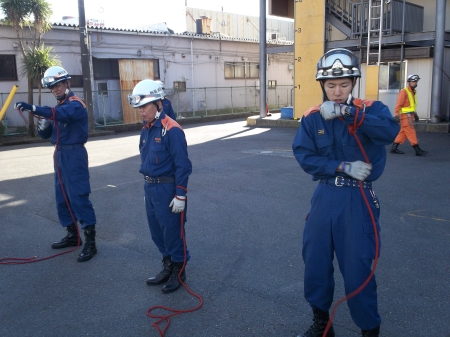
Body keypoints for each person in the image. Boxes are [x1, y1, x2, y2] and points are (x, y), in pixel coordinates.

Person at [292, 48, 400, 337]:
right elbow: (304, 155)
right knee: (315, 263)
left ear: (354, 82)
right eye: (331, 86)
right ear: (322, 86)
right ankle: (321, 324)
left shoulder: (371, 109)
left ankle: (368, 329)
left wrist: (348, 112)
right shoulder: (313, 117)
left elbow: (390, 132)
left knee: (357, 270)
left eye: (344, 85)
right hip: (325, 195)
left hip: (358, 200)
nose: (337, 91)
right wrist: (341, 166)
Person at [14, 66, 98, 262]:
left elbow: (63, 115)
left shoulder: (76, 104)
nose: (55, 89)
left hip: (75, 155)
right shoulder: (57, 108)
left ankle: (91, 243)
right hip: (59, 155)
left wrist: (33, 108)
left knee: (79, 197)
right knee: (62, 198)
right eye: (51, 87)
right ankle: (72, 235)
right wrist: (43, 126)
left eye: (58, 85)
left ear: (67, 83)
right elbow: (47, 134)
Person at [128, 79, 192, 294]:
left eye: (145, 107)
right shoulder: (147, 130)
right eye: (139, 108)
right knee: (157, 232)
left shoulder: (172, 130)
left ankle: (178, 269)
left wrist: (180, 195)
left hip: (167, 190)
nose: (141, 112)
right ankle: (167, 265)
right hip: (151, 188)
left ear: (159, 104)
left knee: (173, 231)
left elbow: (183, 165)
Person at [390, 74, 428, 156]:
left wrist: (415, 114)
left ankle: (394, 148)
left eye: (416, 81)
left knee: (403, 132)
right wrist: (396, 115)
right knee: (411, 132)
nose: (415, 83)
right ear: (409, 82)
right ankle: (417, 150)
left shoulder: (413, 92)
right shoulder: (404, 92)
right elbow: (398, 104)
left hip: (410, 116)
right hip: (405, 116)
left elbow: (412, 105)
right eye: (413, 81)